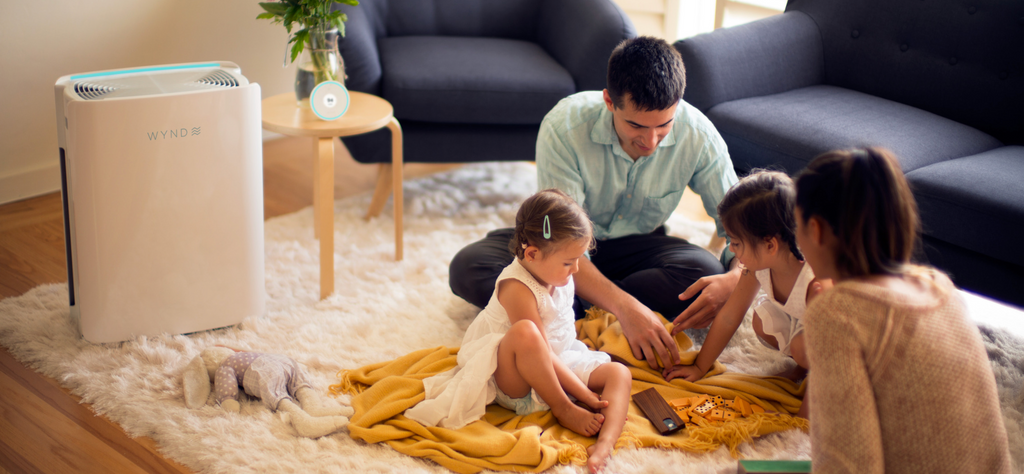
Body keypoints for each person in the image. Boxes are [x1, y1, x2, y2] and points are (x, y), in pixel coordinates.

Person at [449, 36, 741, 371]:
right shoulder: (564, 127)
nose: (650, 141)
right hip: (561, 250)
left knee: (707, 272)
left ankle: (566, 308)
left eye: (664, 125)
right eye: (636, 125)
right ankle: (601, 308)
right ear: (609, 101)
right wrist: (627, 308)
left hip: (638, 247)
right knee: (469, 267)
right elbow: (557, 241)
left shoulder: (699, 136)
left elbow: (740, 226)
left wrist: (735, 279)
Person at [793, 147, 1011, 473]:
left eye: (797, 227)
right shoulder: (940, 287)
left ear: (817, 229)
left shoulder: (837, 313)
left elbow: (849, 465)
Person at [407, 189, 632, 474]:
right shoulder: (517, 287)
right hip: (516, 376)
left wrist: (583, 378)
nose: (576, 268)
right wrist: (584, 396)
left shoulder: (560, 272)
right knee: (526, 331)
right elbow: (541, 350)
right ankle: (563, 408)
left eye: (579, 258)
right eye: (568, 262)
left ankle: (605, 444)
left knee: (619, 373)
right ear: (532, 254)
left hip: (561, 361)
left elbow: (558, 346)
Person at [663, 171, 829, 418]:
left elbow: (831, 353)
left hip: (846, 341)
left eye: (736, 243)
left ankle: (805, 365)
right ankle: (802, 365)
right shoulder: (758, 264)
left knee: (804, 346)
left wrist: (804, 418)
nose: (731, 249)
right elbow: (731, 315)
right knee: (761, 322)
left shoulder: (817, 283)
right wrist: (699, 367)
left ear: (770, 245)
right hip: (806, 324)